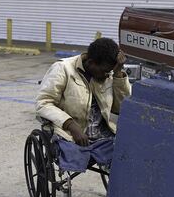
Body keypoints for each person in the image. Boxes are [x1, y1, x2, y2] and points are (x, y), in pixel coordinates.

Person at [36, 38, 132, 171]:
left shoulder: (110, 73)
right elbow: (43, 103)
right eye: (105, 71)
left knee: (129, 151)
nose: (107, 75)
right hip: (68, 136)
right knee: (72, 155)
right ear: (91, 63)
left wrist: (118, 74)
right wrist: (71, 125)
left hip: (102, 135)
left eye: (110, 72)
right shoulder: (63, 68)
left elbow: (121, 108)